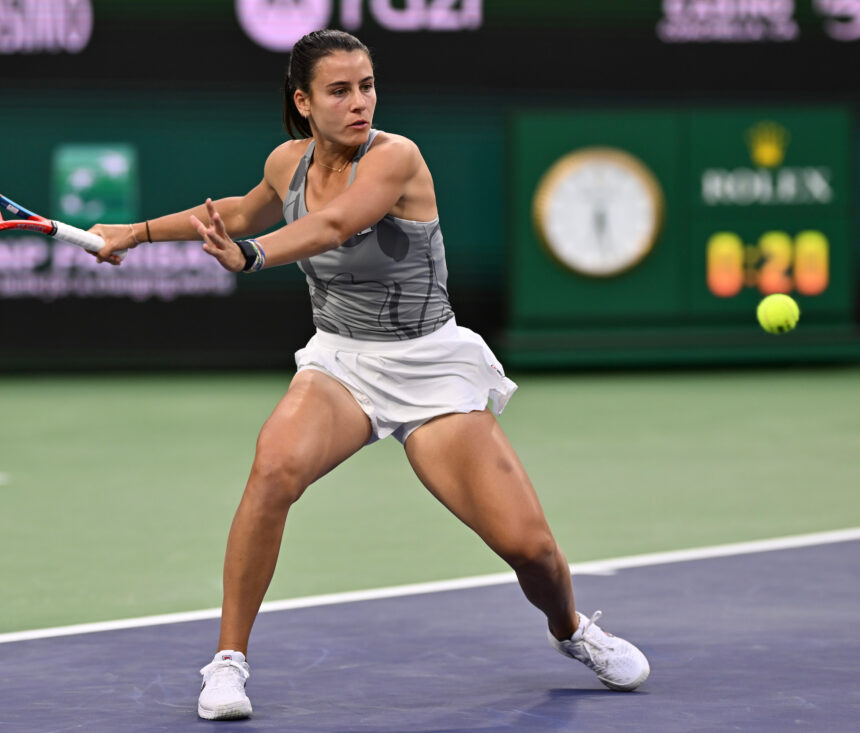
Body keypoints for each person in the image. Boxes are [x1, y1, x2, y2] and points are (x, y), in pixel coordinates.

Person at [89, 29, 650, 722]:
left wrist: (252, 257)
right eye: (339, 90)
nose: (360, 102)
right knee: (272, 471)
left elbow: (334, 225)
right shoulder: (286, 162)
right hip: (343, 363)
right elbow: (233, 214)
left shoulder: (397, 158)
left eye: (367, 86)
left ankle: (570, 629)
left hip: (432, 369)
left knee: (529, 548)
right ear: (303, 101)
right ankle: (228, 660)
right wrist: (132, 232)